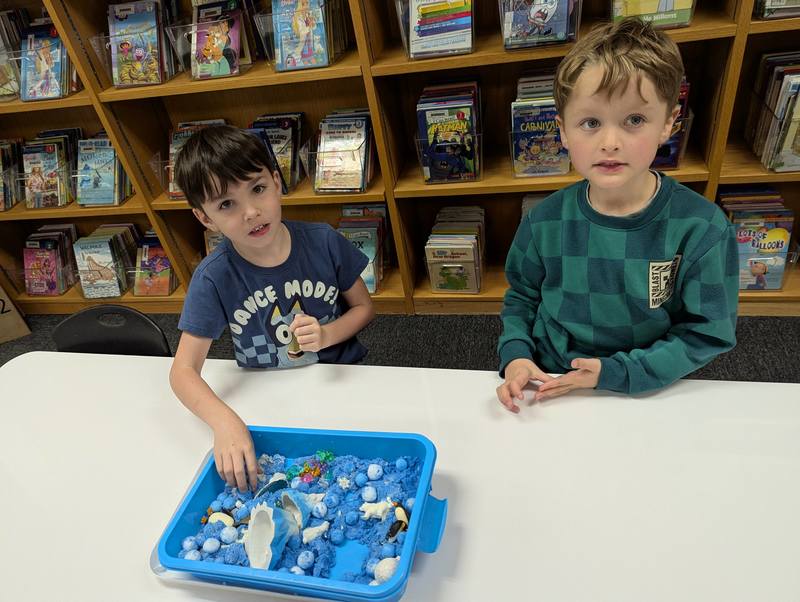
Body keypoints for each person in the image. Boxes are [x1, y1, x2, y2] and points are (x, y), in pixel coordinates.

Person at [496, 17, 738, 411]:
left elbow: (707, 333)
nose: (610, 142)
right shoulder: (543, 221)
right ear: (562, 131)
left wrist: (618, 374)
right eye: (590, 123)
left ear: (668, 123)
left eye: (635, 120)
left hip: (646, 383)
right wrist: (516, 355)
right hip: (550, 379)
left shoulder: (703, 228)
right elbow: (521, 298)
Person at [169, 125, 375, 489]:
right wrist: (224, 422)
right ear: (204, 217)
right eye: (226, 204)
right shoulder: (214, 277)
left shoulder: (324, 241)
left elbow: (363, 308)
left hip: (341, 380)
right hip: (268, 399)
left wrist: (327, 334)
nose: (251, 212)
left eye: (258, 189)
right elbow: (183, 371)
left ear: (277, 183)